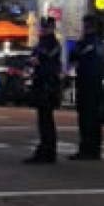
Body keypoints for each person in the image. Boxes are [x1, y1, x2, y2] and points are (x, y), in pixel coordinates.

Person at [24, 17, 62, 164]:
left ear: (52, 28)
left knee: (46, 120)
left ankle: (48, 151)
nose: (44, 30)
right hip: (41, 83)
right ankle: (45, 150)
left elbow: (45, 59)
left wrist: (39, 60)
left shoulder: (53, 44)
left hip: (48, 84)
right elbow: (31, 59)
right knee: (43, 119)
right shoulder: (42, 43)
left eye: (46, 27)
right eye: (43, 27)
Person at [69, 14, 104, 160]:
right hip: (95, 83)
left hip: (87, 83)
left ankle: (86, 149)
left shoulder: (87, 42)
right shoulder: (100, 42)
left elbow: (74, 56)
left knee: (86, 118)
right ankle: (94, 150)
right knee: (95, 118)